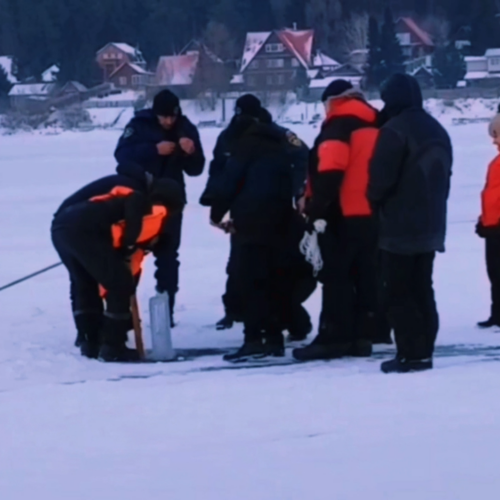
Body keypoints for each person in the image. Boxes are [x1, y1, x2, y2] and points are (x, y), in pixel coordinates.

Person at [201, 96, 313, 339]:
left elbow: (304, 158)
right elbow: (219, 170)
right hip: (252, 212)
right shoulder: (230, 137)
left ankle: (273, 326)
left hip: (263, 213)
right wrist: (214, 201)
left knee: (259, 270)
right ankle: (240, 312)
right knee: (248, 267)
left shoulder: (278, 136)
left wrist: (299, 192)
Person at [367, 74, 453, 374]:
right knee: (422, 288)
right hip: (432, 223)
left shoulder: (393, 130)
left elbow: (380, 180)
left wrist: (374, 203)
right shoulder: (438, 129)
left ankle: (410, 353)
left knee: (397, 291)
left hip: (398, 225)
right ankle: (424, 350)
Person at [52, 176, 185, 362]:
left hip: (61, 227)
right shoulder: (145, 206)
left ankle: (90, 341)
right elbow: (134, 207)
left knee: (85, 283)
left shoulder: (127, 203)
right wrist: (129, 246)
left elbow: (123, 258)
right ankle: (113, 347)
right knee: (120, 285)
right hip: (84, 228)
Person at [293, 80, 380, 362]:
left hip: (340, 212)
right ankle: (361, 335)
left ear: (331, 101)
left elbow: (331, 170)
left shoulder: (338, 125)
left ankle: (333, 335)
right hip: (370, 211)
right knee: (363, 275)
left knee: (335, 277)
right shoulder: (374, 123)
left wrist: (316, 208)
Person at [115, 89, 205, 325]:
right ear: (155, 114)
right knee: (131, 254)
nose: (168, 122)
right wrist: (153, 150)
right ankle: (123, 312)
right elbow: (121, 156)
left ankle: (167, 312)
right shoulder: (139, 125)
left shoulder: (186, 129)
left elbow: (197, 169)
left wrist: (191, 152)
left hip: (172, 203)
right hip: (139, 202)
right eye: (163, 117)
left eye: (171, 117)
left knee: (168, 258)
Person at [476, 105, 500, 329]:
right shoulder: (495, 163)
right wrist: (483, 220)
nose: (494, 142)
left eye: (497, 136)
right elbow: (491, 196)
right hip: (492, 226)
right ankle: (497, 312)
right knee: (495, 273)